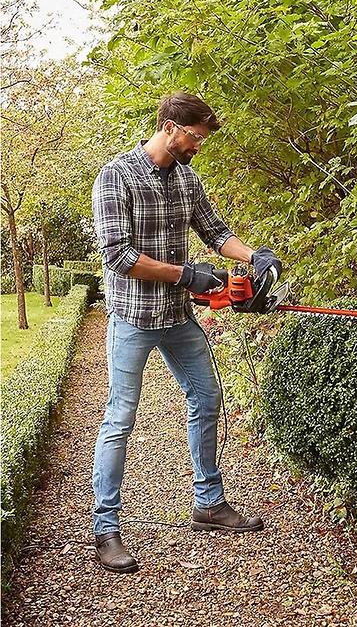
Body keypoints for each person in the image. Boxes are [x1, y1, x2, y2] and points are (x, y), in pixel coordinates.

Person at [91, 91, 281, 574]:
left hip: (177, 318)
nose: (198, 146)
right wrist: (185, 274)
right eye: (195, 137)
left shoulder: (188, 179)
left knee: (207, 397)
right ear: (171, 126)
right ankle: (106, 529)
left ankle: (209, 503)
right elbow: (118, 257)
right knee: (120, 419)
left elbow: (215, 231)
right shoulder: (116, 176)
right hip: (133, 319)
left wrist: (253, 256)